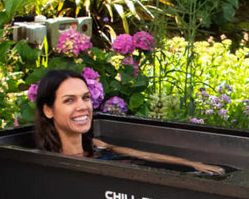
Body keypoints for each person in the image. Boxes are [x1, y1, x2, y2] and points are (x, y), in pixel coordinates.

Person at [33, 69, 226, 174]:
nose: (82, 106)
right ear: (48, 110)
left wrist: (192, 164)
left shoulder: (96, 145)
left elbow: (143, 156)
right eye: (69, 100)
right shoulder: (49, 163)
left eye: (85, 97)